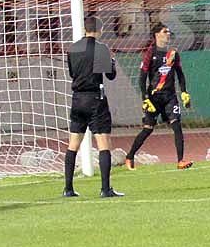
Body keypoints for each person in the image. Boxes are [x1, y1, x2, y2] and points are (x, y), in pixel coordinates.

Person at [64, 14, 121, 198]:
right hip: (95, 99)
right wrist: (112, 62)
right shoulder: (101, 48)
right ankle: (105, 189)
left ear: (85, 29)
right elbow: (110, 75)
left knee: (73, 144)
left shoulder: (72, 48)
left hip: (77, 99)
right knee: (103, 143)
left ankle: (68, 188)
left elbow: (72, 73)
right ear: (100, 30)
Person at [125, 22, 194, 170]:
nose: (168, 34)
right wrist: (145, 98)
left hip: (170, 96)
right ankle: (130, 156)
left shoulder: (173, 53)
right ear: (157, 35)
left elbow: (180, 74)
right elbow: (142, 77)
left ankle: (180, 160)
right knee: (148, 129)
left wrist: (184, 92)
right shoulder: (150, 53)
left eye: (168, 32)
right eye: (165, 31)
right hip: (154, 97)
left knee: (177, 126)